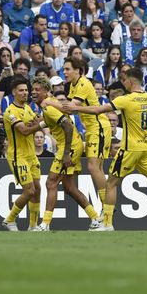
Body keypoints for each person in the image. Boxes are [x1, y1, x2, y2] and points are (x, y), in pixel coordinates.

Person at [65, 67, 147, 231]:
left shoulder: (126, 99)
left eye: (125, 80)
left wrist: (76, 109)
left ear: (131, 81)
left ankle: (107, 224)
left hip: (129, 149)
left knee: (111, 183)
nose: (124, 83)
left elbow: (98, 110)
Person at [32, 79, 103, 231]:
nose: (34, 92)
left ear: (46, 91)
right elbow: (55, 122)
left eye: (38, 90)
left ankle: (45, 224)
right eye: (33, 89)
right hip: (73, 144)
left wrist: (66, 153)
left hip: (69, 147)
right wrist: (39, 123)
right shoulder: (50, 104)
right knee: (69, 187)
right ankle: (95, 218)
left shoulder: (48, 107)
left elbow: (68, 126)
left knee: (51, 183)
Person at [59, 56, 111, 214]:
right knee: (97, 168)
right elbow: (68, 109)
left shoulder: (83, 84)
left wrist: (48, 103)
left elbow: (71, 107)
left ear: (77, 70)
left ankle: (106, 208)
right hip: (92, 129)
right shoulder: (73, 86)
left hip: (99, 126)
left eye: (67, 69)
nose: (64, 72)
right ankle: (107, 207)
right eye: (64, 69)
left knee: (93, 167)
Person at [0, 76, 44, 232]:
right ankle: (9, 219)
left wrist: (41, 119)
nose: (25, 93)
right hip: (18, 156)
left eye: (26, 90)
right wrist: (42, 123)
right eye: (21, 90)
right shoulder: (10, 112)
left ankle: (33, 225)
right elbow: (25, 131)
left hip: (31, 155)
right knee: (29, 191)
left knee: (37, 189)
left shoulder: (27, 108)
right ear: (14, 92)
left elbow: (35, 121)